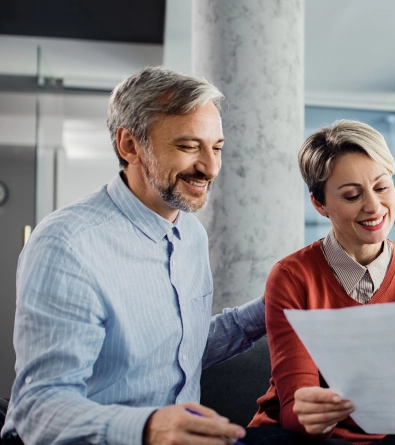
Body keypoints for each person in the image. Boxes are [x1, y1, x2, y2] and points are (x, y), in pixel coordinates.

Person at [1, 67, 267, 445]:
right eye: (189, 146)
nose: (211, 167)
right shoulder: (67, 244)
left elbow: (174, 351)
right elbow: (38, 407)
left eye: (217, 147)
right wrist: (148, 428)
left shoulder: (190, 233)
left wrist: (265, 311)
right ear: (129, 146)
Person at [246, 120, 395, 445]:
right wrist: (312, 415)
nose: (374, 206)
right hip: (302, 437)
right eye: (352, 195)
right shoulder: (291, 276)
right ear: (319, 204)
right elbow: (294, 405)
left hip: (388, 434)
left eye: (382, 187)